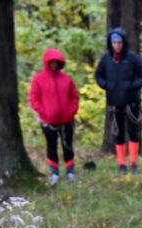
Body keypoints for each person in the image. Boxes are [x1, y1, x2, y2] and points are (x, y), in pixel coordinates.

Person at [95, 28, 142, 172]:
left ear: (123, 43)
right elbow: (98, 75)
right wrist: (106, 85)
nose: (117, 46)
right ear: (110, 44)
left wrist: (132, 86)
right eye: (114, 43)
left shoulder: (132, 58)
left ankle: (134, 162)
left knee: (133, 130)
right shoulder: (106, 59)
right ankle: (121, 163)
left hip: (132, 101)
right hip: (114, 101)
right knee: (118, 132)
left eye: (119, 42)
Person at [29, 48, 80, 186]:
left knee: (68, 146)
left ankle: (70, 172)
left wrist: (72, 111)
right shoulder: (39, 79)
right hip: (49, 122)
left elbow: (74, 96)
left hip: (67, 121)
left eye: (57, 62)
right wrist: (44, 113)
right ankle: (54, 173)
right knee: (51, 147)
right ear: (47, 63)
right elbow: (34, 99)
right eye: (52, 62)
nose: (54, 64)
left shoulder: (66, 78)